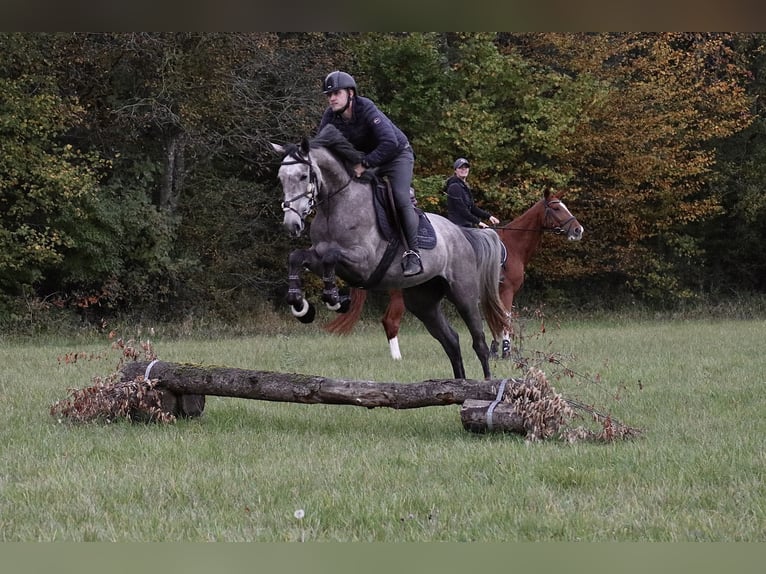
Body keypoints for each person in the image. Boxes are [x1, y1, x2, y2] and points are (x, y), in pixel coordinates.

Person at [318, 70, 422, 277]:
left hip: (397, 156)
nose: (331, 98)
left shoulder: (366, 108)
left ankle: (413, 253)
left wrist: (364, 164)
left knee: (400, 198)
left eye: (336, 93)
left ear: (351, 93)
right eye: (329, 95)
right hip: (370, 160)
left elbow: (390, 143)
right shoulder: (330, 117)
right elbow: (322, 147)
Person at [445, 158, 500, 229]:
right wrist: (478, 222)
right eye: (460, 168)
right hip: (458, 227)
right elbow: (462, 210)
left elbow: (473, 208)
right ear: (455, 170)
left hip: (467, 226)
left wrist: (489, 216)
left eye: (466, 167)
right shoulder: (454, 187)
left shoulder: (464, 187)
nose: (463, 170)